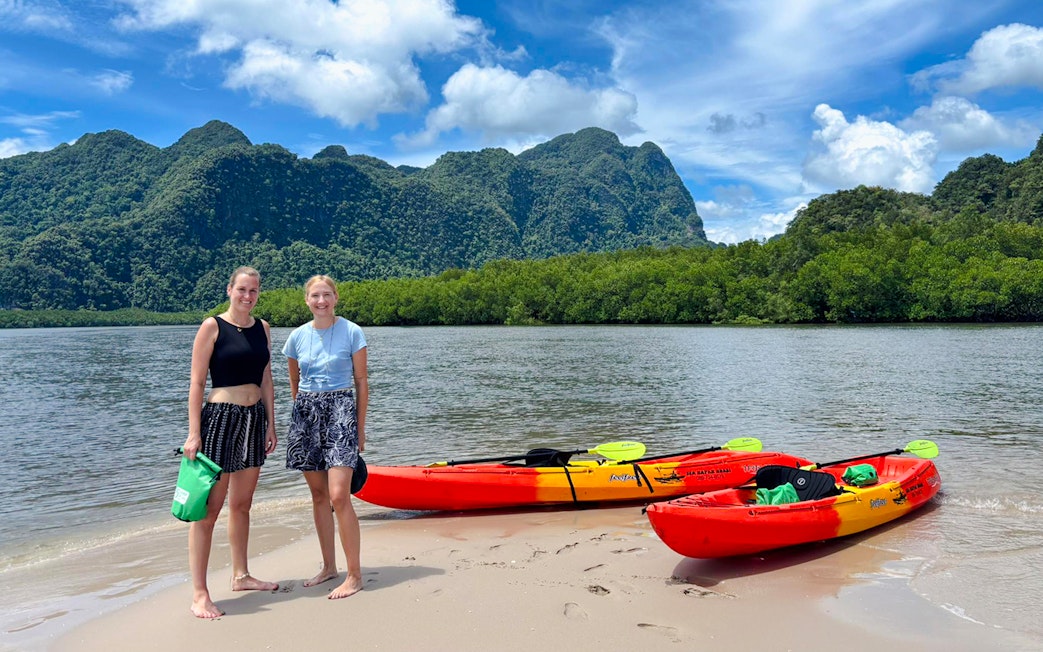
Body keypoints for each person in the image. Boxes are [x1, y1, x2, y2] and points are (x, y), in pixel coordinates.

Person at [182, 266, 279, 618]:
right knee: (209, 510)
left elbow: (267, 378)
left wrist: (271, 422)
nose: (247, 296)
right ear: (229, 290)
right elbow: (195, 384)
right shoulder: (212, 326)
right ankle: (200, 593)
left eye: (253, 291)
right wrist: (195, 432)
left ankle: (241, 575)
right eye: (242, 289)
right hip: (221, 419)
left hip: (254, 420)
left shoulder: (263, 328)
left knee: (242, 504)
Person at [282, 275, 368, 599]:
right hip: (306, 413)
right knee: (318, 496)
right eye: (315, 296)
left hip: (342, 410)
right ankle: (329, 567)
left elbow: (361, 382)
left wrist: (359, 428)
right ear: (307, 300)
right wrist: (302, 417)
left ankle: (354, 575)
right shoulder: (296, 338)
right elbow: (294, 379)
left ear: (336, 297)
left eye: (327, 295)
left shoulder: (352, 332)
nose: (321, 301)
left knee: (338, 496)